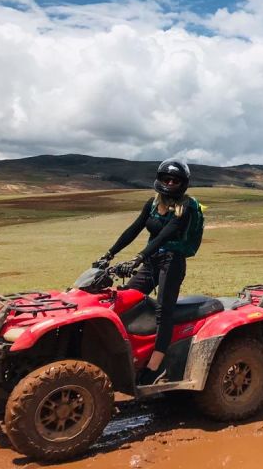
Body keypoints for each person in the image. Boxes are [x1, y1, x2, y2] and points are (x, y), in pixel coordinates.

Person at [98, 159, 203, 384]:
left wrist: (139, 257)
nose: (170, 182)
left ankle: (156, 366)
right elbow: (134, 229)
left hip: (172, 261)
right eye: (167, 178)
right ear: (160, 179)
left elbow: (167, 233)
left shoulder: (186, 207)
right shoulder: (153, 204)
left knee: (164, 311)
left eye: (175, 180)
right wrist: (109, 254)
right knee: (125, 299)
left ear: (183, 184)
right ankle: (127, 352)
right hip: (152, 260)